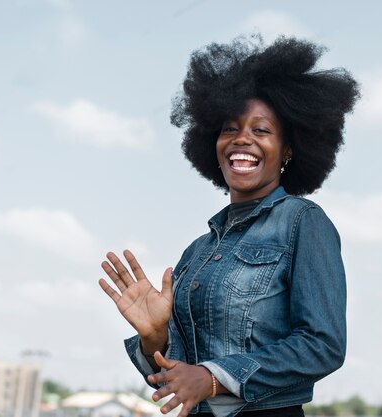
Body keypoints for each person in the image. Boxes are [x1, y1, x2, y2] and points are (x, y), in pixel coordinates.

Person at [99, 35, 359, 417]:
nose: (242, 140)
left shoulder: (303, 222)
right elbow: (178, 379)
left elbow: (322, 345)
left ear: (288, 149)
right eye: (229, 129)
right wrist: (156, 338)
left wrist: (214, 377)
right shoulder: (197, 252)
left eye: (261, 130)